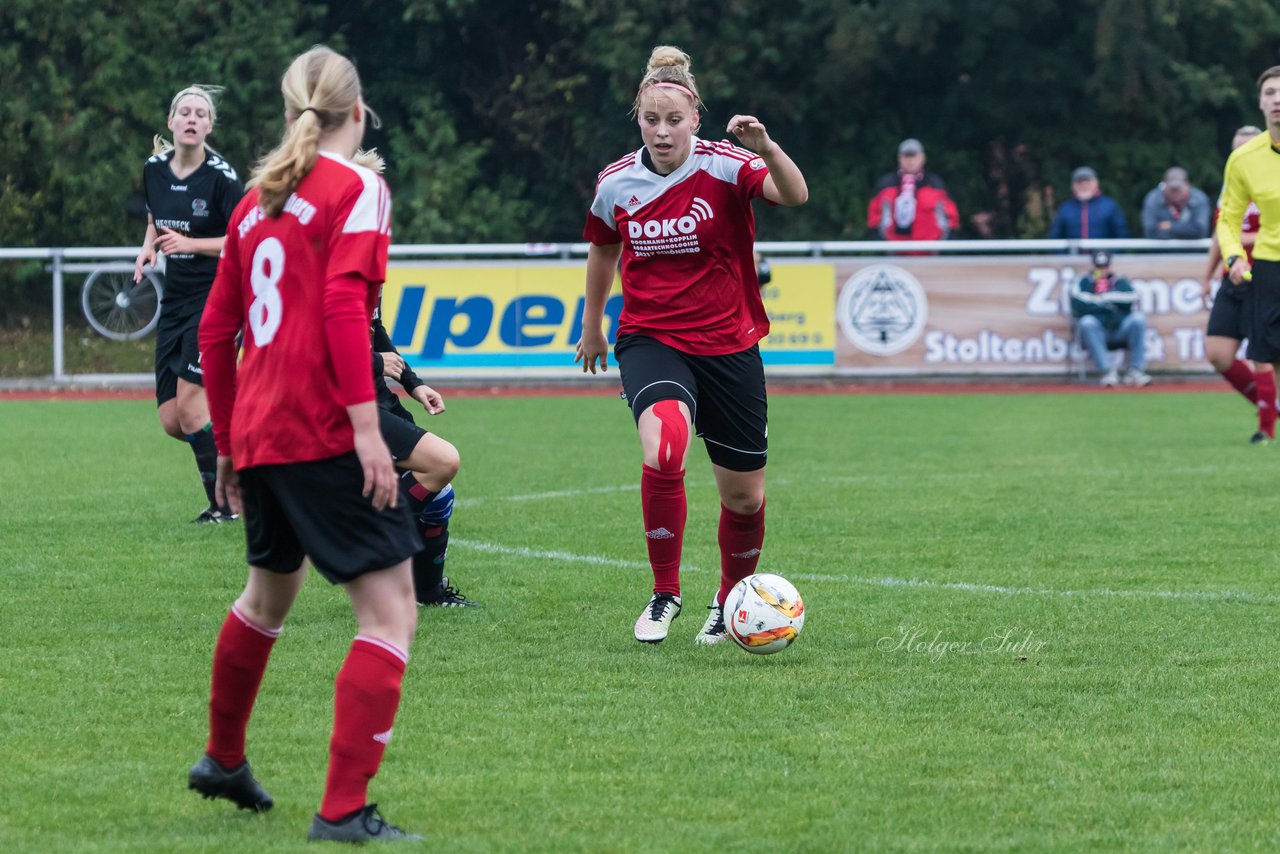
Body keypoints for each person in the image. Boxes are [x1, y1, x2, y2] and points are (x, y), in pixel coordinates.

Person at [193, 46, 423, 843]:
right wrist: (368, 431)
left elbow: (216, 330)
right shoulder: (359, 186)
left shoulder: (256, 201)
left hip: (260, 429)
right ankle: (343, 810)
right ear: (357, 114)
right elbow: (339, 304)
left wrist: (226, 443)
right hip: (321, 425)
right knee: (391, 612)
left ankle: (224, 761)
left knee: (268, 596)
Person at [575, 45, 808, 645]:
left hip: (729, 344)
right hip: (652, 338)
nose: (661, 131)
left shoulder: (728, 166)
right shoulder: (615, 183)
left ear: (694, 120)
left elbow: (795, 196)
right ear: (639, 120)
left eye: (672, 120)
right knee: (667, 446)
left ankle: (730, 602)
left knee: (744, 496)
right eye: (651, 120)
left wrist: (768, 149)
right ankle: (663, 594)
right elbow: (603, 248)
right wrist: (593, 324)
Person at [133, 85, 244, 523]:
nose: (193, 118)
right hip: (178, 299)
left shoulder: (221, 177)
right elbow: (154, 220)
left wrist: (192, 244)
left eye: (201, 113)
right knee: (173, 420)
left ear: (209, 126)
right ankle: (247, 459)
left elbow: (241, 239)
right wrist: (149, 248)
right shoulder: (154, 169)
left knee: (193, 404)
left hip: (219, 297)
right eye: (185, 111)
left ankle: (225, 506)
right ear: (171, 122)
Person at [371, 299, 479, 606]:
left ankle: (427, 594)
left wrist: (413, 385)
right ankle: (366, 533)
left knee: (439, 497)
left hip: (380, 401)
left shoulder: (371, 266)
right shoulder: (331, 268)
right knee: (443, 460)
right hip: (345, 406)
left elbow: (375, 331)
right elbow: (317, 349)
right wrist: (377, 363)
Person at [1203, 126, 1274, 444]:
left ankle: (1266, 428)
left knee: (1264, 354)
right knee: (1218, 354)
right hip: (1232, 278)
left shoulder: (1270, 184)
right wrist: (1206, 275)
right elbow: (1221, 231)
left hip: (1265, 277)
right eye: (1236, 150)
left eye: (1247, 148)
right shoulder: (1230, 190)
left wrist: (1244, 240)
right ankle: (1272, 408)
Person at [1220, 67, 1280, 423]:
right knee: (1273, 355)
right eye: (1271, 93)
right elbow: (1227, 220)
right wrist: (1234, 259)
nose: (1278, 100)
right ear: (1260, 102)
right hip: (1270, 266)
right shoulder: (1243, 159)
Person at [1069, 249, 1151, 387]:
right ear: (1093, 266)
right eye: (1098, 267)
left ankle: (1135, 371)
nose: (1102, 271)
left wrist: (1104, 298)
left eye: (1105, 267)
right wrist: (1108, 305)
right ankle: (1107, 372)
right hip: (1098, 331)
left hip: (1119, 329)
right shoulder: (1083, 282)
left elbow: (1132, 298)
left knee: (1138, 319)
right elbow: (1078, 305)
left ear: (1110, 266)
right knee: (1087, 322)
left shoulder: (1120, 281)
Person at [866, 138, 958, 243]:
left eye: (913, 156)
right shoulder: (885, 184)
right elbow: (874, 217)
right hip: (894, 250)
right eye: (906, 156)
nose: (910, 161)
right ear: (899, 158)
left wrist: (943, 242)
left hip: (929, 249)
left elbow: (950, 217)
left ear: (922, 158)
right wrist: (881, 241)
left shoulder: (935, 184)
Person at [1048, 167, 1129, 242]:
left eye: (1087, 182)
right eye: (1079, 182)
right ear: (1073, 186)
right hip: (1073, 256)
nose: (1084, 186)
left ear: (1096, 183)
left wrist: (1109, 254)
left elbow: (1122, 235)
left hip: (1103, 256)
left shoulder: (1110, 206)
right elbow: (1055, 236)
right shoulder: (1065, 208)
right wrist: (1065, 256)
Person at [1142, 167, 1212, 239]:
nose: (1175, 193)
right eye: (1172, 189)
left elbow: (1200, 230)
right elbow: (1150, 232)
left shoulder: (1198, 199)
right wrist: (1187, 231)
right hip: (1163, 249)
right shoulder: (1154, 199)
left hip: (1192, 249)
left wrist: (1170, 226)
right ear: (1164, 186)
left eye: (1178, 189)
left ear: (1187, 185)